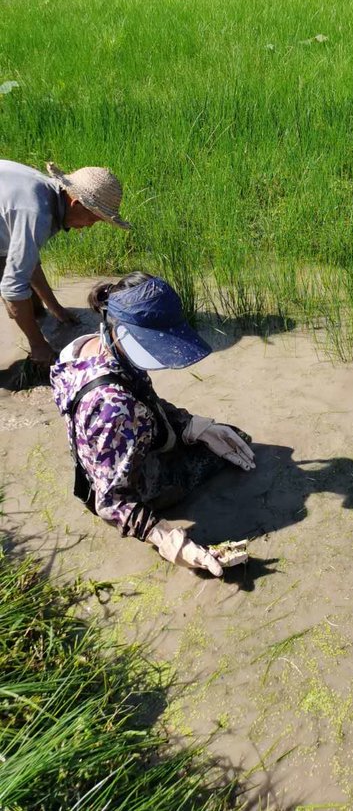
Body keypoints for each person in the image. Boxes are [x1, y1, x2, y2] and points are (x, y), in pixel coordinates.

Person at [50, 272, 255, 578]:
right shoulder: (113, 408)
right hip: (127, 486)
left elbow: (143, 399)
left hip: (109, 457)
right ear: (125, 331)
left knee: (221, 437)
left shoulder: (89, 348)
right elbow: (112, 501)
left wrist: (191, 426)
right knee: (239, 438)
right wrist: (166, 538)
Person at [1, 159, 130, 367]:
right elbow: (12, 289)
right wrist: (38, 345)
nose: (90, 226)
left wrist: (56, 309)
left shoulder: (48, 195)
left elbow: (28, 261)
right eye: (93, 219)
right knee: (18, 291)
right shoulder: (37, 214)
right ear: (76, 204)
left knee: (32, 305)